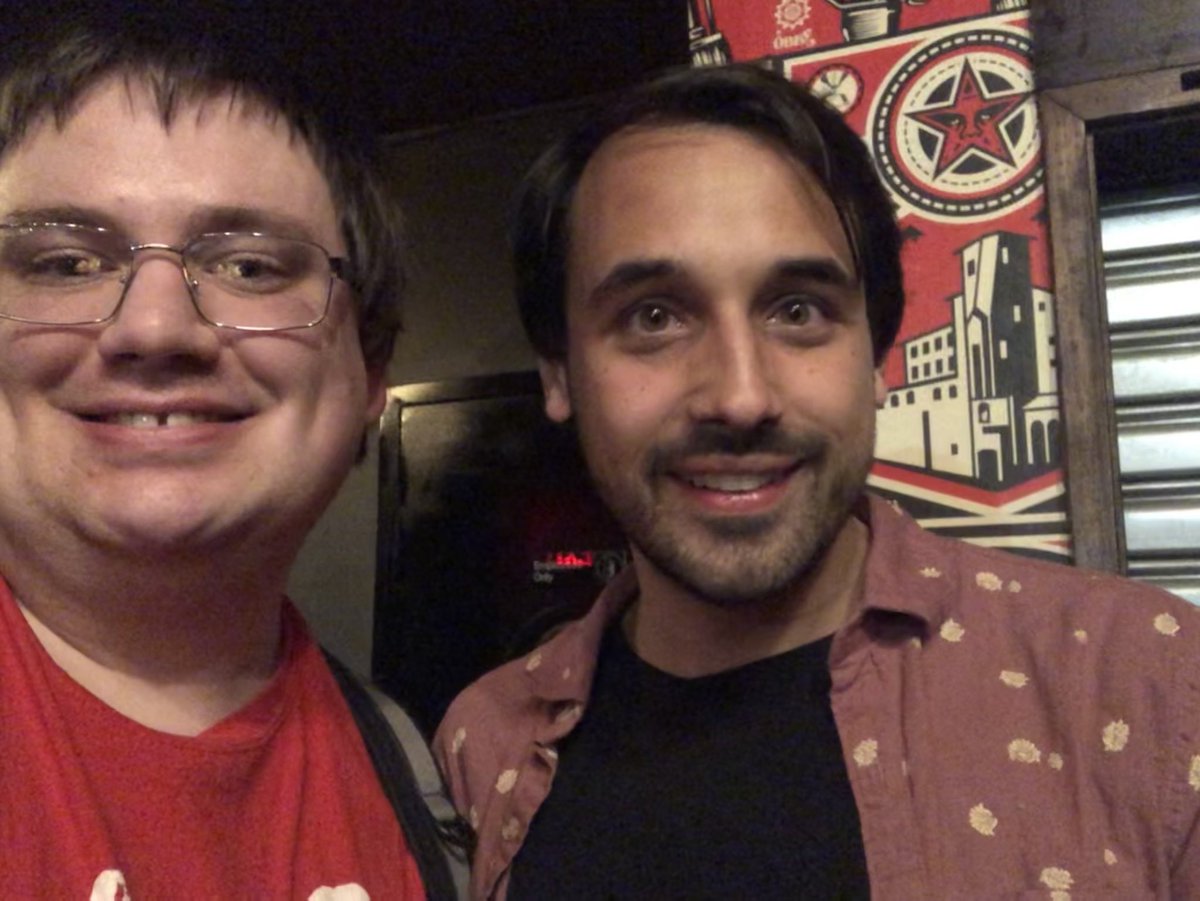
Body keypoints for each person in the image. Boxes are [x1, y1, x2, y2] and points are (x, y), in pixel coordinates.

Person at [434, 64, 1200, 899]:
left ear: (875, 354)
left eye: (797, 309)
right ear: (559, 372)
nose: (740, 395)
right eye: (654, 315)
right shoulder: (485, 745)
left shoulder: (1151, 688)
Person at [0, 19, 463, 899]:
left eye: (250, 266)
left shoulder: (421, 777)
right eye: (65, 262)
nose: (155, 327)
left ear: (370, 369)